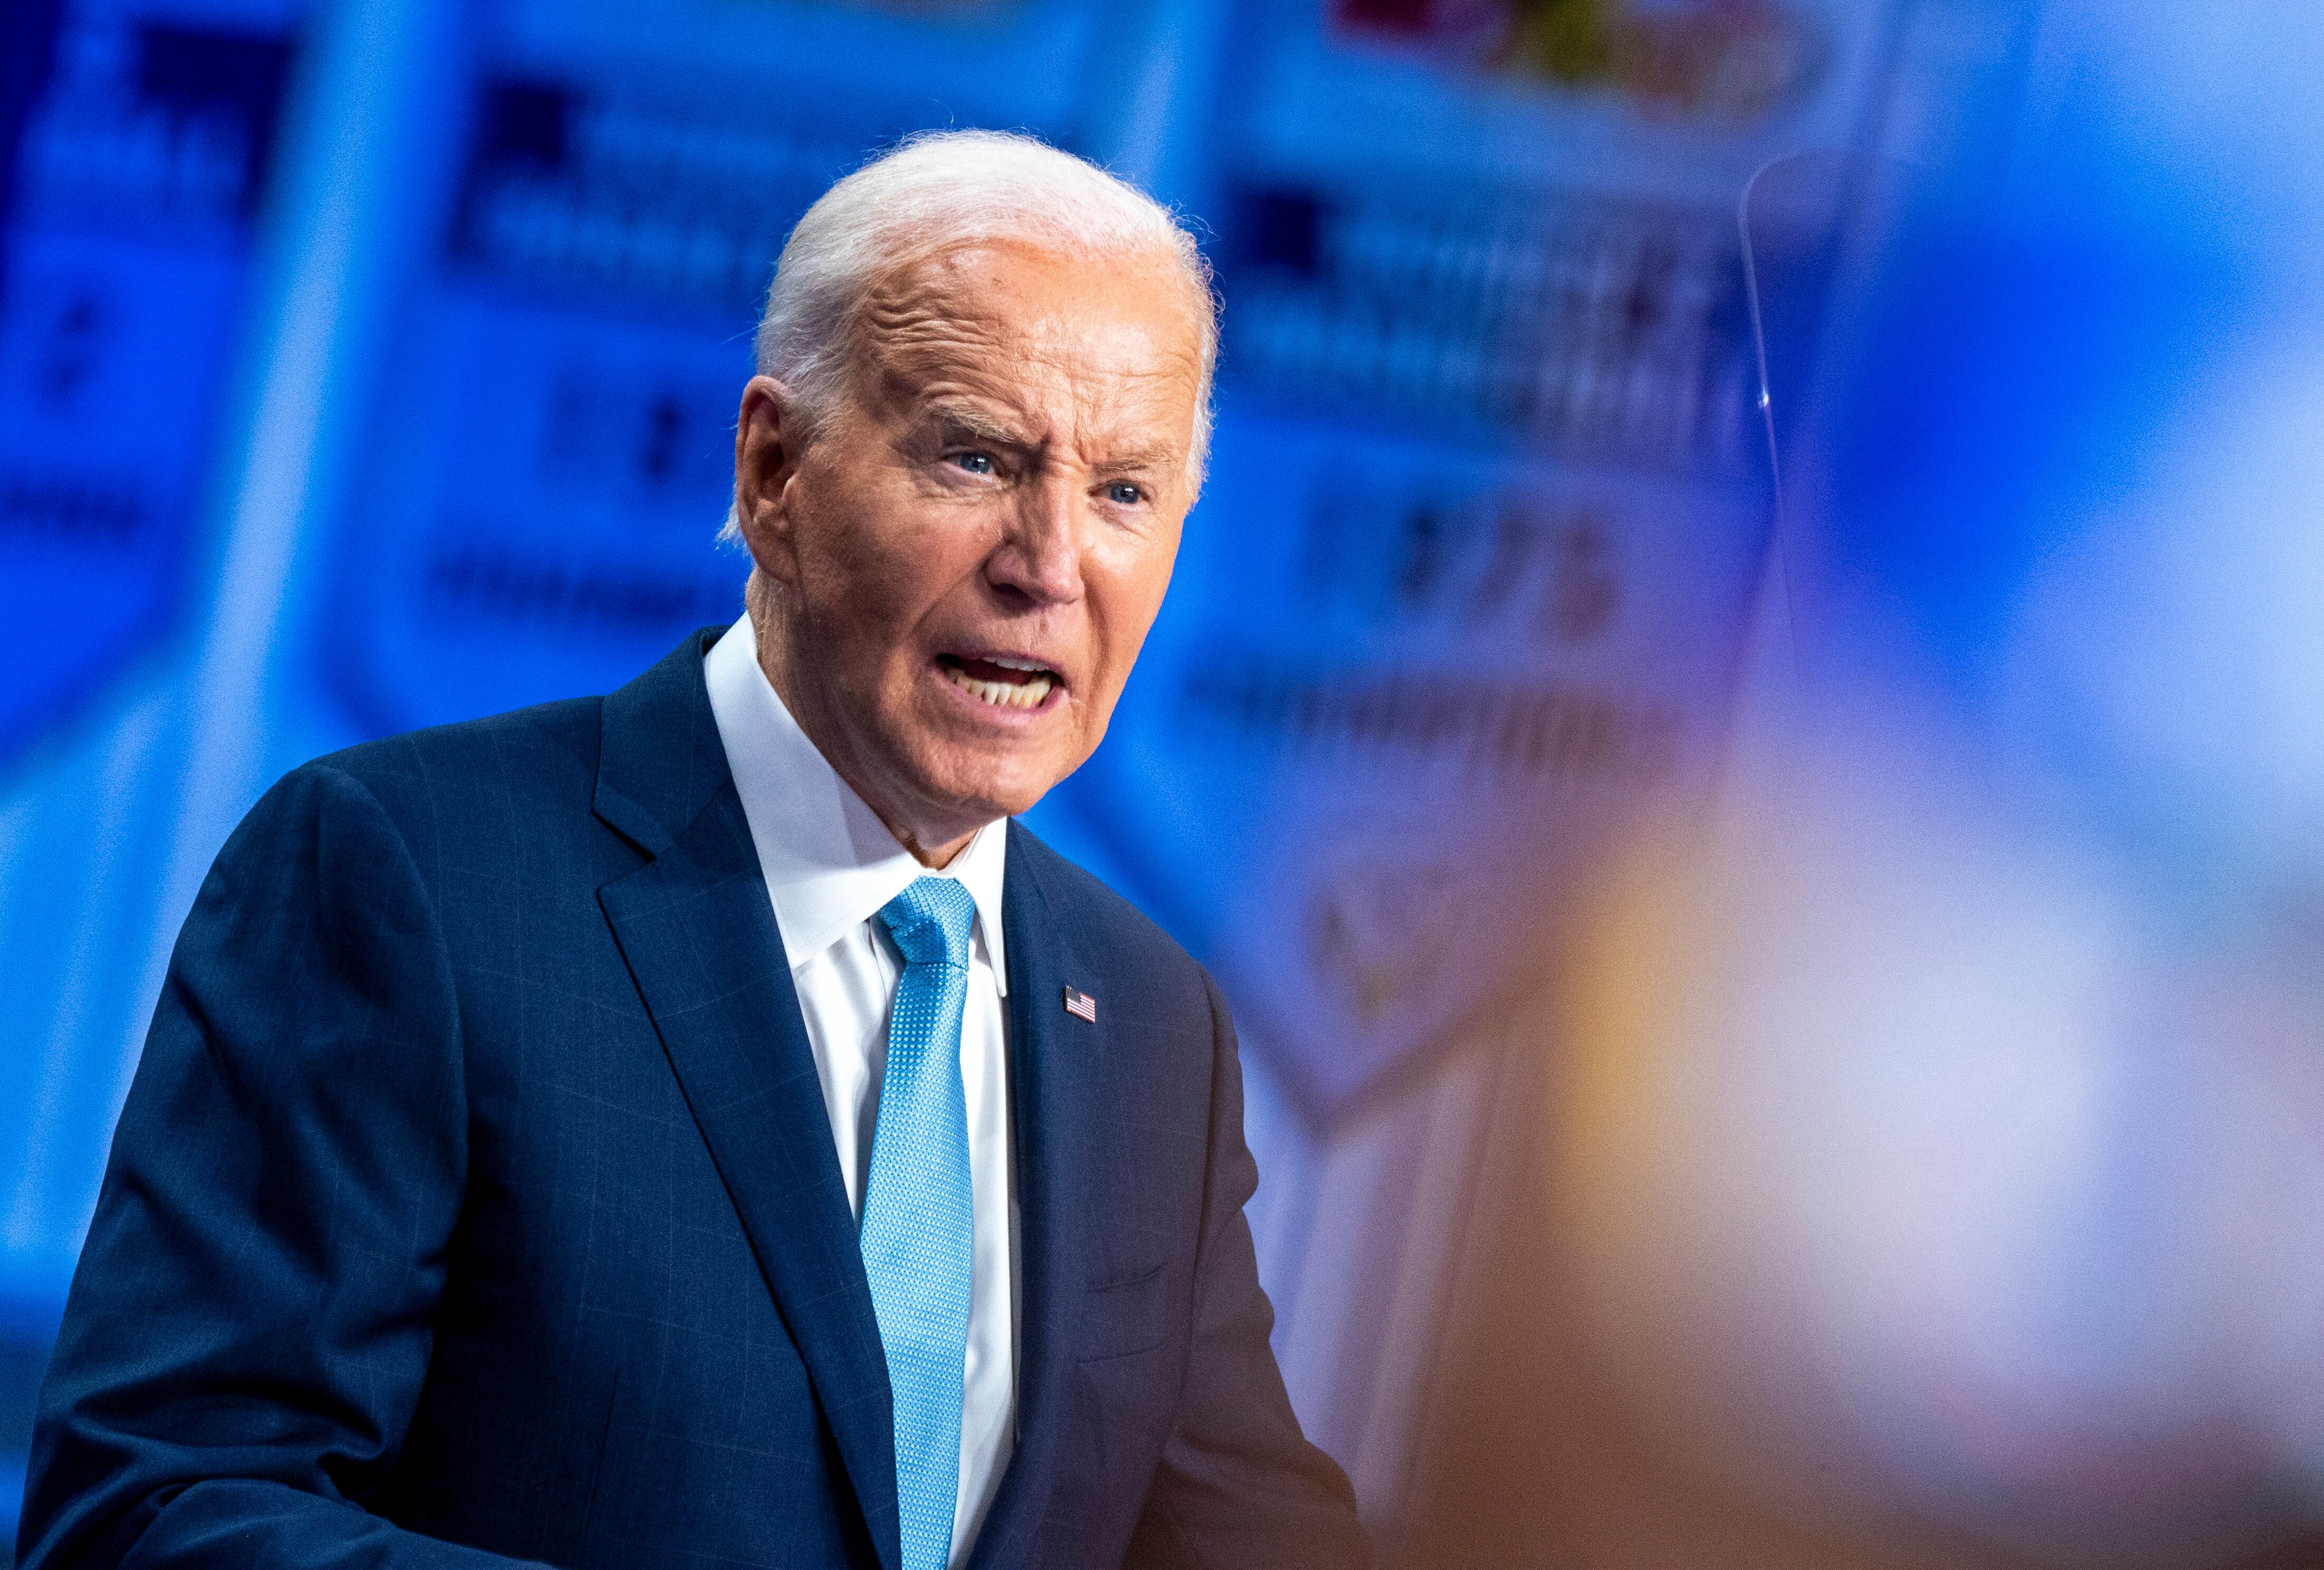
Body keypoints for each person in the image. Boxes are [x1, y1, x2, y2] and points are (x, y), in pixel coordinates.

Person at [18, 129, 1371, 1570]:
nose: (1048, 565)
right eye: (977, 457)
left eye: (1124, 493)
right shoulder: (410, 875)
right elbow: (153, 1515)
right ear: (775, 470)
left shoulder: (1152, 1020)